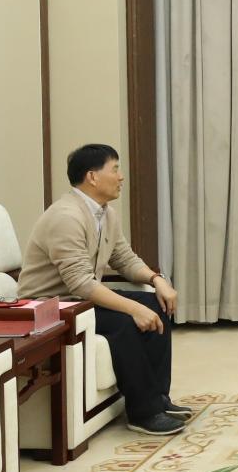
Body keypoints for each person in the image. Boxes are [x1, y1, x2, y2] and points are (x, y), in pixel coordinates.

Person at [17, 143, 188, 436]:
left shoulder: (105, 213)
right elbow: (80, 282)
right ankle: (143, 413)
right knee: (125, 322)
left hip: (80, 299)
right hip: (51, 306)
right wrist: (133, 308)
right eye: (115, 169)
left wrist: (157, 280)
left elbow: (124, 258)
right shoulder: (66, 217)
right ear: (92, 177)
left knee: (157, 305)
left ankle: (158, 398)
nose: (121, 177)